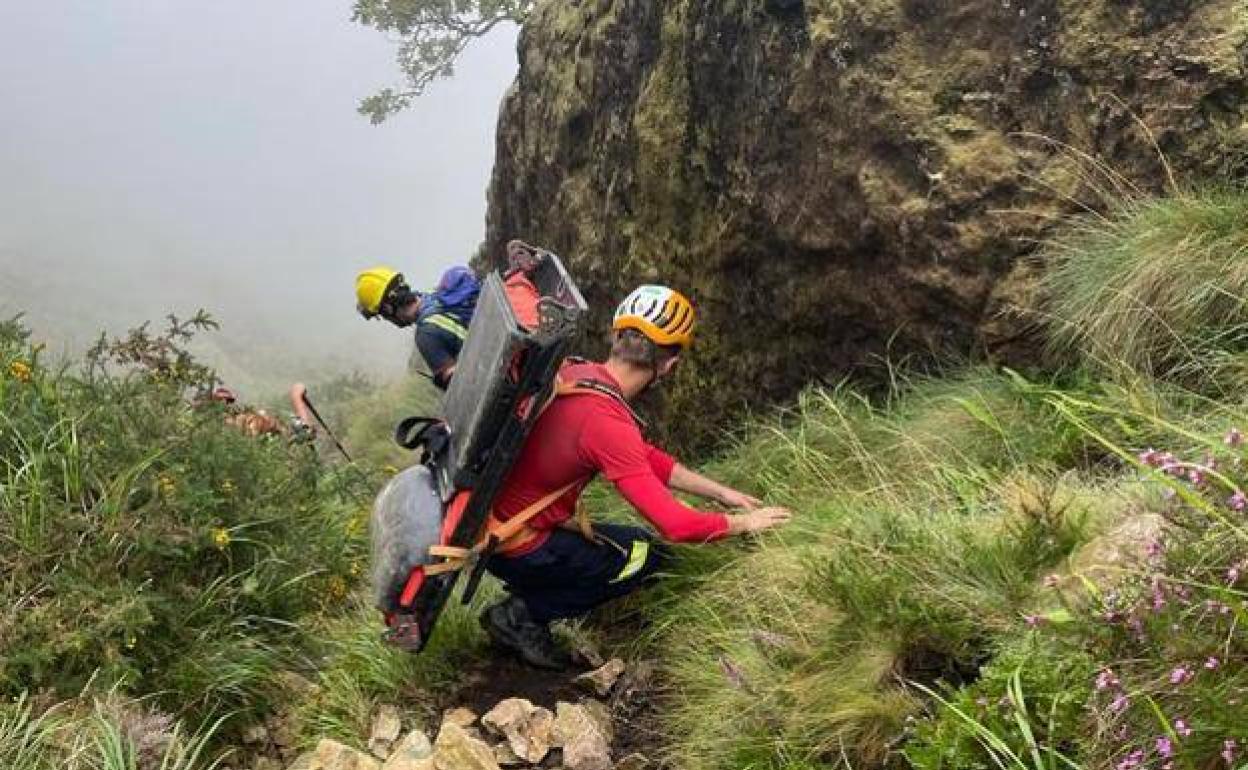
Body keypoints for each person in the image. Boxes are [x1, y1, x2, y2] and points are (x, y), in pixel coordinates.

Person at [479, 284, 793, 669]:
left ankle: (532, 592)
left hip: (490, 529)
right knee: (646, 553)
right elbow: (676, 526)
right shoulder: (605, 420)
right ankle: (523, 614)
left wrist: (721, 492)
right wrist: (743, 524)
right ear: (668, 365)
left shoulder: (576, 373)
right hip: (520, 546)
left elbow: (643, 457)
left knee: (621, 542)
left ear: (616, 337)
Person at [355, 266, 476, 390]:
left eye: (381, 315)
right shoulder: (435, 293)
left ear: (387, 308)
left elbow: (460, 386)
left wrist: (442, 379)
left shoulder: (425, 335)